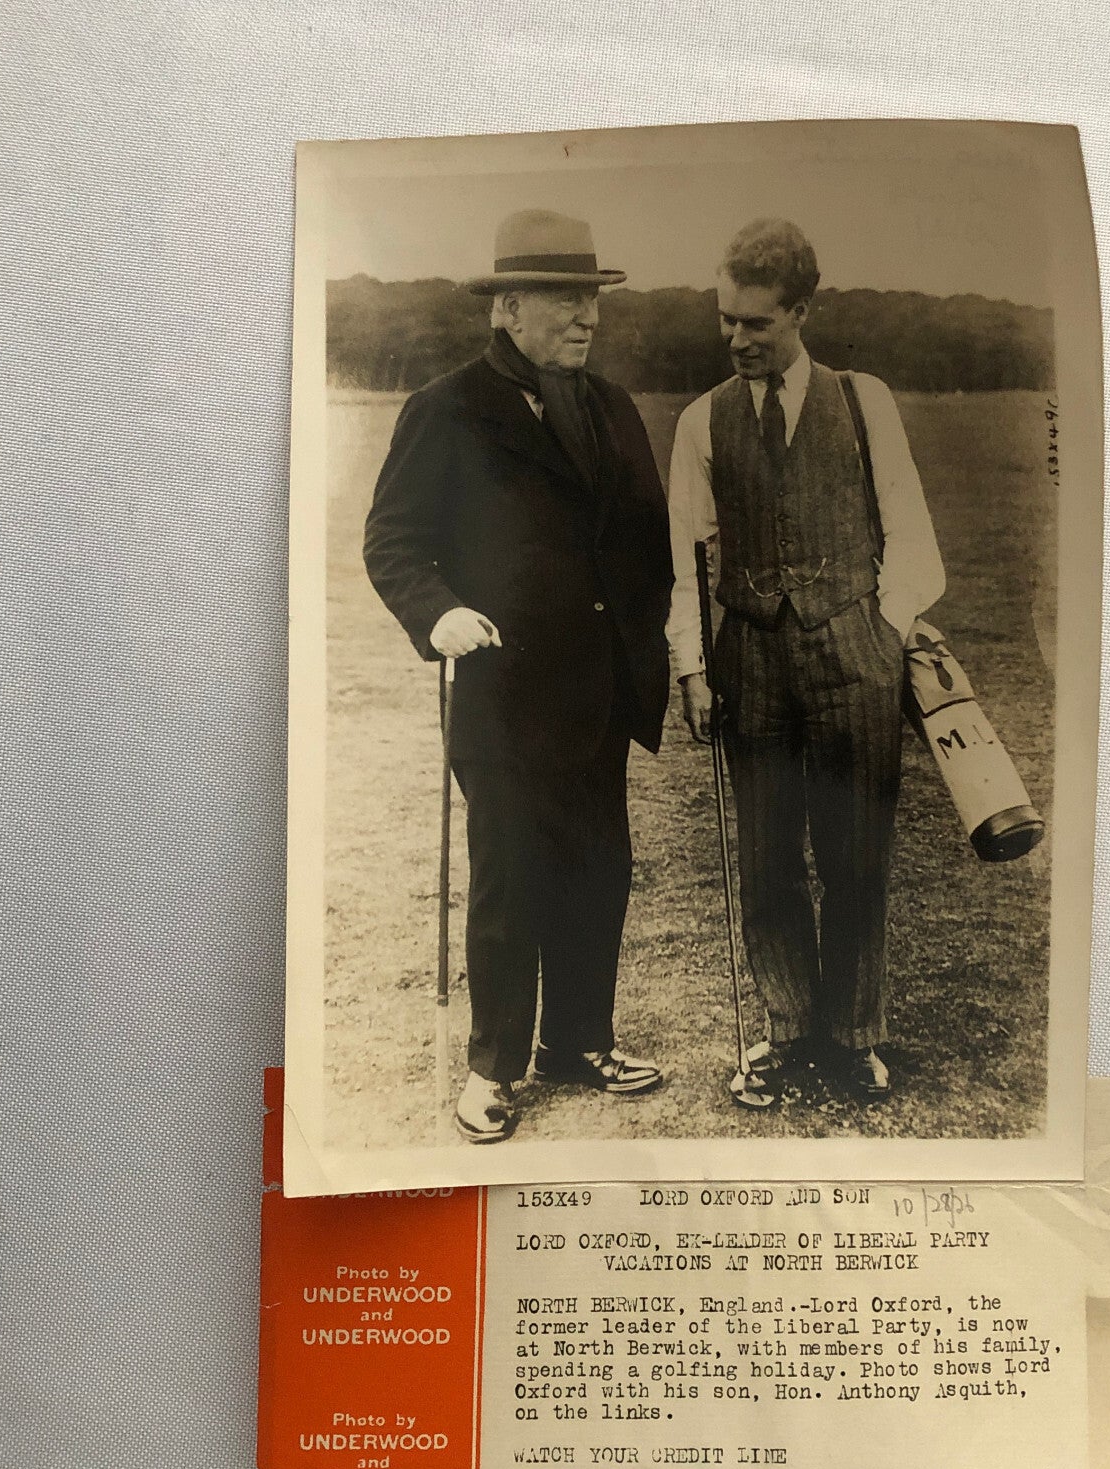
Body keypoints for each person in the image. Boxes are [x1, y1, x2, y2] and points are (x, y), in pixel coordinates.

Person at [365, 208, 673, 1143]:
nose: (588, 319)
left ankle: (579, 1041)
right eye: (567, 301)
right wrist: (439, 613)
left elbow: (643, 546)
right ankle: (492, 1067)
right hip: (504, 694)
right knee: (510, 883)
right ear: (507, 308)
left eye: (593, 301)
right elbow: (394, 541)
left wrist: (638, 641)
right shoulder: (446, 408)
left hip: (599, 691)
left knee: (598, 869)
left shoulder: (611, 406)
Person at [667, 218, 946, 1106]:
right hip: (748, 658)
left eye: (756, 323)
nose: (737, 340)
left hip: (853, 654)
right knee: (767, 858)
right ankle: (786, 1032)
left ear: (801, 310)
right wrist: (693, 668)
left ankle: (856, 1036)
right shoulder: (700, 421)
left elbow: (912, 540)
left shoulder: (865, 401)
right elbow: (687, 562)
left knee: (855, 854)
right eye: (727, 321)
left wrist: (884, 634)